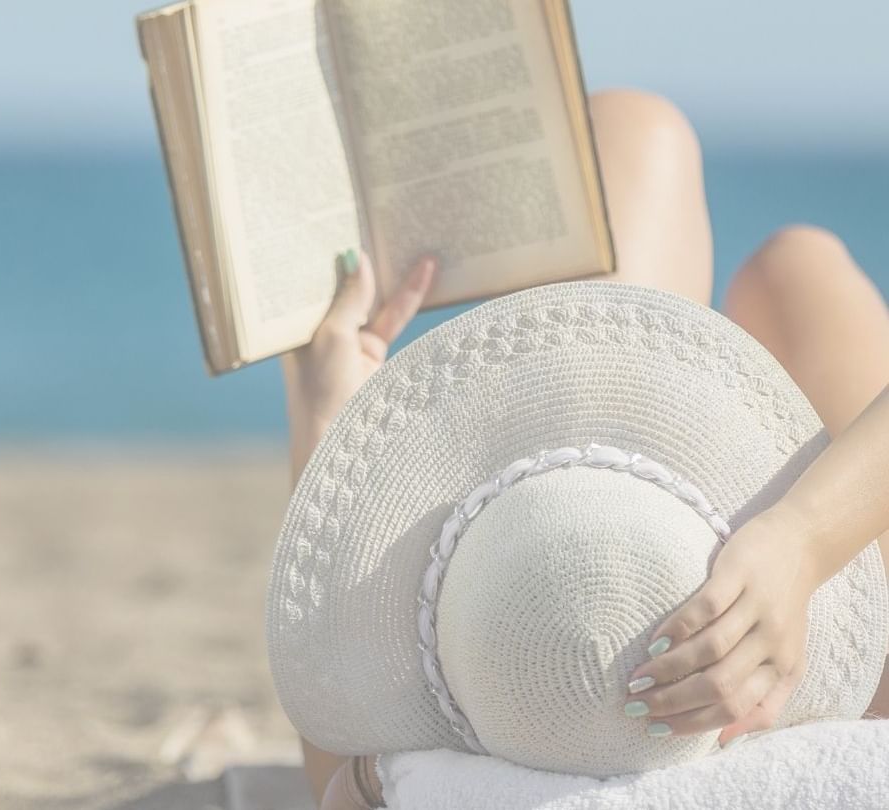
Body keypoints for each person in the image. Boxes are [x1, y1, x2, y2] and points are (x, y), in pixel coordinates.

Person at [279, 90, 889, 810]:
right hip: (810, 665)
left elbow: (344, 766)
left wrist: (323, 416)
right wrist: (800, 541)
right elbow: (342, 753)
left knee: (641, 141)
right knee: (790, 259)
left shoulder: (419, 790)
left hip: (687, 641)